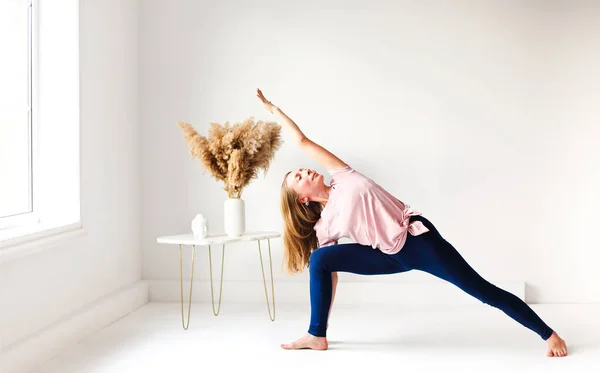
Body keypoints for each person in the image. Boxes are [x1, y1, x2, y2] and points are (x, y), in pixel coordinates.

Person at [256, 88, 568, 357]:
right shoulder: (325, 227)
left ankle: (550, 334)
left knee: (482, 291)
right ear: (302, 199)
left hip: (419, 242)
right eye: (298, 178)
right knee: (320, 258)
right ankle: (316, 335)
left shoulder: (342, 175)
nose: (305, 172)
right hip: (389, 256)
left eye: (302, 170)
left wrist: (275, 111)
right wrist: (323, 316)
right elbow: (329, 273)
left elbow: (302, 141)